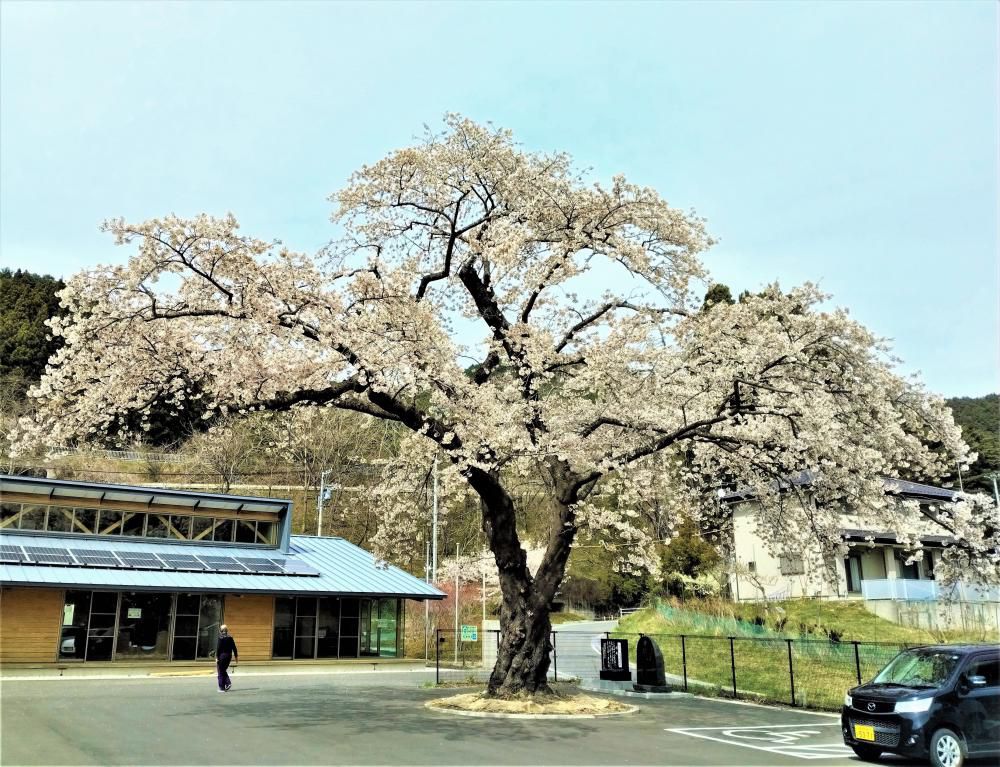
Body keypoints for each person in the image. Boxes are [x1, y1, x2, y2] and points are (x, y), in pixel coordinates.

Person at [216, 624, 238, 692]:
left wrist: (217, 657)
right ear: (227, 630)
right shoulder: (230, 637)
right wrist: (236, 657)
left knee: (220, 671)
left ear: (221, 630)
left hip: (222, 656)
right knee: (223, 670)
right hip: (229, 656)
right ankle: (227, 684)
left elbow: (218, 648)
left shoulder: (220, 638)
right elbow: (234, 648)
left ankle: (223, 687)